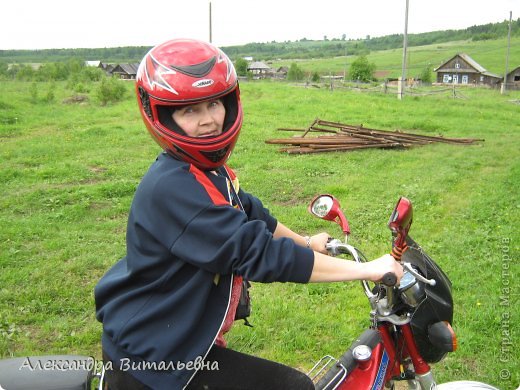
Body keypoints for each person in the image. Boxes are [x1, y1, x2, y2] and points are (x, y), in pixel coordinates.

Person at [94, 38, 403, 390]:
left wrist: (305, 242)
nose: (208, 120)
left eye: (213, 104)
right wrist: (367, 269)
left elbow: (252, 214)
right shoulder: (173, 189)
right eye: (189, 111)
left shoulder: (205, 171)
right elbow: (256, 253)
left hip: (176, 333)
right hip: (153, 357)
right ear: (164, 116)